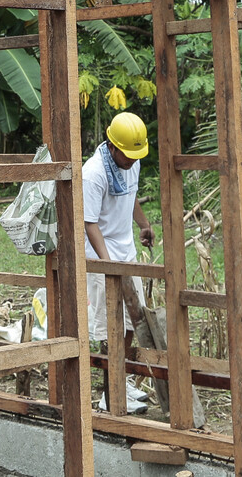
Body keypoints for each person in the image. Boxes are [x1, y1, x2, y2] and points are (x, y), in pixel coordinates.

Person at [81, 112, 155, 348]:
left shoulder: (132, 162)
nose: (132, 161)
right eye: (127, 155)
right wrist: (107, 264)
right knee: (109, 325)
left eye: (136, 155)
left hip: (126, 252)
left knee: (133, 319)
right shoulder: (93, 174)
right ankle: (111, 382)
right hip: (101, 254)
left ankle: (124, 379)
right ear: (112, 146)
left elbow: (130, 193)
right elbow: (89, 223)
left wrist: (144, 224)